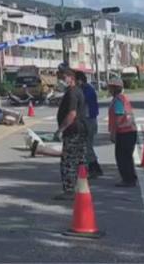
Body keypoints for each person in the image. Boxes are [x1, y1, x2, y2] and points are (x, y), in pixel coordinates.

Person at [53, 64, 88, 200]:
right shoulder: (78, 91)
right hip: (80, 130)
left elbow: (72, 114)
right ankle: (81, 187)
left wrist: (61, 130)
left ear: (71, 78)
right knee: (80, 160)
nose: (61, 80)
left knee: (69, 161)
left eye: (63, 77)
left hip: (73, 131)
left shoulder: (72, 93)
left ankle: (69, 190)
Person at [108, 79, 138, 187]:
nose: (109, 89)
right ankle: (130, 178)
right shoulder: (121, 98)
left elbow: (119, 116)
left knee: (122, 157)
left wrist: (113, 133)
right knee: (127, 157)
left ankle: (128, 179)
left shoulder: (119, 100)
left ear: (115, 89)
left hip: (124, 132)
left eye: (110, 87)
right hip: (129, 131)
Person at [76, 71, 103, 178]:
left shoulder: (88, 90)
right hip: (85, 120)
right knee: (86, 146)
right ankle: (91, 167)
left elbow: (82, 100)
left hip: (89, 120)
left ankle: (94, 168)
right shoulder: (83, 89)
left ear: (80, 80)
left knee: (88, 146)